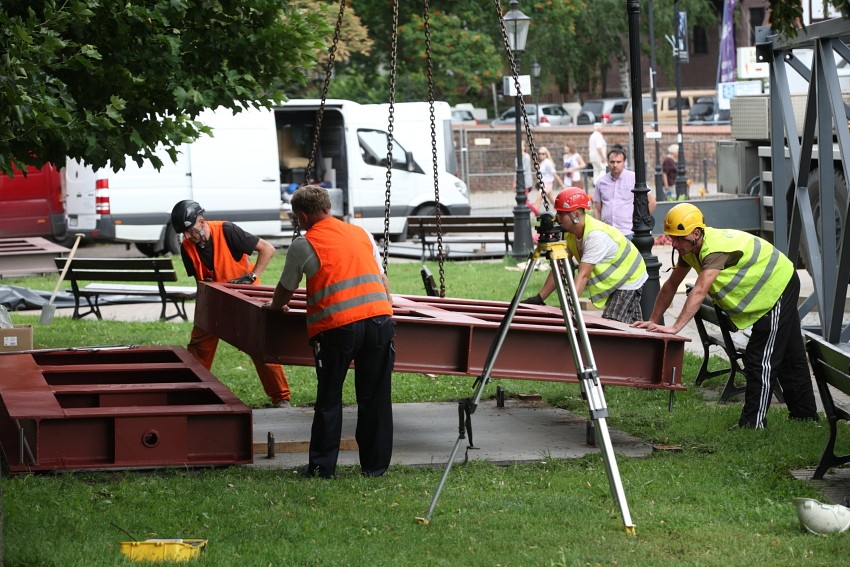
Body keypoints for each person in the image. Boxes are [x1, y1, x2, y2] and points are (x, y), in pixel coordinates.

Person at [633, 203, 818, 429]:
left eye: (679, 238)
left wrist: (675, 327)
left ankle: (753, 424)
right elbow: (671, 285)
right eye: (672, 237)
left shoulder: (714, 250)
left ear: (696, 233)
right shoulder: (690, 249)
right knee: (790, 353)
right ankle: (805, 416)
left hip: (778, 285)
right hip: (769, 290)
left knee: (760, 359)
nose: (674, 243)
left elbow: (699, 291)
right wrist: (653, 320)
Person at [266, 185, 395, 478]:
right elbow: (382, 278)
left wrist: (274, 308)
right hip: (379, 322)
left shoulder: (304, 244)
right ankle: (375, 468)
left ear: (302, 215)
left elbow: (286, 288)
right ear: (328, 207)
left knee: (329, 398)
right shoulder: (360, 233)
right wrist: (385, 310)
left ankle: (323, 468)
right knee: (375, 397)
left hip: (338, 329)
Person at [170, 199, 292, 408]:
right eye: (183, 233)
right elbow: (199, 279)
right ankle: (191, 394)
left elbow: (267, 249)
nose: (188, 237)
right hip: (213, 300)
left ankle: (281, 397)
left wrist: (252, 277)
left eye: (190, 231)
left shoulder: (227, 231)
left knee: (261, 345)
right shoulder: (186, 246)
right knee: (199, 347)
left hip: (245, 298)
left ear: (201, 222)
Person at [522, 188, 648, 324]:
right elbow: (559, 267)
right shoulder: (570, 233)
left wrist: (569, 308)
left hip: (629, 277)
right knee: (631, 323)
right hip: (617, 277)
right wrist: (540, 298)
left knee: (612, 323)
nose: (556, 217)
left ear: (576, 214)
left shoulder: (595, 236)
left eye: (561, 213)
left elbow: (583, 275)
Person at [593, 147, 656, 239]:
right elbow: (597, 209)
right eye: (612, 162)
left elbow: (652, 202)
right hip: (608, 232)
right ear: (608, 163)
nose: (615, 165)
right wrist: (597, 229)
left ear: (624, 162)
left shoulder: (634, 178)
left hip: (629, 231)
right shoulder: (601, 182)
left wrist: (641, 221)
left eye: (618, 162)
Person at [534, 146, 566, 211]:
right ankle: (563, 212)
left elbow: (555, 175)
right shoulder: (542, 163)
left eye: (543, 153)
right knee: (554, 202)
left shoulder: (547, 162)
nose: (541, 155)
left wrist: (562, 185)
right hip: (543, 184)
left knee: (539, 198)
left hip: (547, 184)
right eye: (539, 153)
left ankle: (533, 215)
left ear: (546, 154)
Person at [588, 122, 607, 189]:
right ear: (599, 128)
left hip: (593, 156)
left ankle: (595, 183)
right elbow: (599, 147)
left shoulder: (592, 135)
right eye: (602, 127)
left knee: (596, 170)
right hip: (598, 156)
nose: (603, 129)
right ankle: (597, 182)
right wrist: (603, 157)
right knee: (603, 169)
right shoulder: (598, 136)